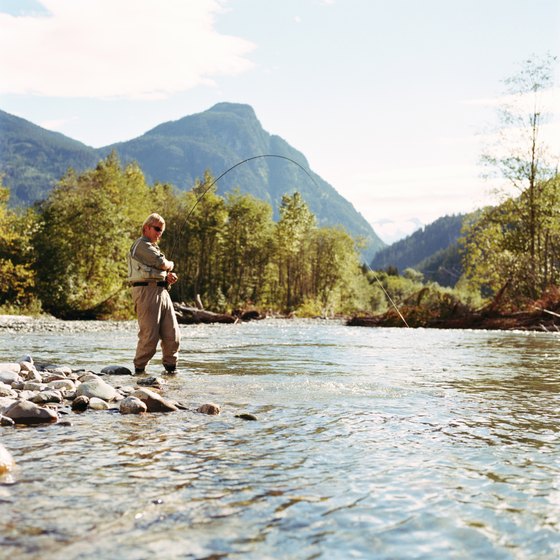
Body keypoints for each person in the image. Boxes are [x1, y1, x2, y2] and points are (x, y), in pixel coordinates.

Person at [128, 213, 180, 374]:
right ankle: (139, 372)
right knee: (150, 335)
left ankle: (171, 372)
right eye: (157, 229)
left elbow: (158, 269)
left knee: (173, 335)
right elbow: (161, 263)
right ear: (146, 228)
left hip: (162, 291)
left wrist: (167, 278)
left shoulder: (153, 247)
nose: (159, 233)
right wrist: (170, 265)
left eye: (161, 231)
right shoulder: (141, 245)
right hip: (146, 292)